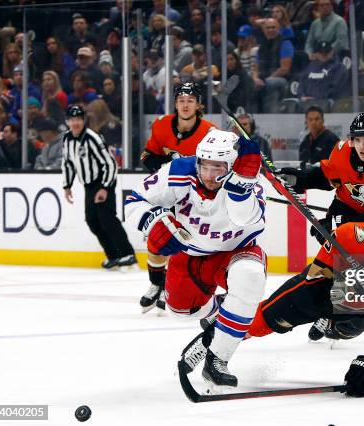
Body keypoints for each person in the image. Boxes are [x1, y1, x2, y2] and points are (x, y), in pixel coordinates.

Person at [181, 207, 364, 398]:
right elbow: (315, 277)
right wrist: (349, 282)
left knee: (345, 332)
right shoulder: (351, 236)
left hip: (360, 312)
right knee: (263, 321)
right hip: (321, 291)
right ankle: (211, 340)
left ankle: (329, 323)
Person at [126, 129, 267, 389]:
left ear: (233, 165)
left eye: (218, 167)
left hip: (235, 252)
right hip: (190, 253)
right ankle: (221, 314)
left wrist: (241, 185)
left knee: (250, 277)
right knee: (180, 312)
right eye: (205, 165)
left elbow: (242, 217)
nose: (210, 175)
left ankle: (217, 360)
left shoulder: (250, 181)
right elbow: (134, 200)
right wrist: (153, 222)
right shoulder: (179, 171)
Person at [139, 82, 216, 314]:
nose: (185, 105)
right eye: (181, 100)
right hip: (167, 191)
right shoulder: (162, 126)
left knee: (183, 243)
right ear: (175, 103)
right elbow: (147, 156)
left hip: (194, 197)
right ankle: (156, 284)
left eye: (190, 100)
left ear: (198, 104)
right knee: (156, 237)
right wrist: (168, 170)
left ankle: (170, 289)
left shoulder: (209, 132)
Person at [281, 112, 364, 246]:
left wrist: (342, 223)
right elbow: (328, 178)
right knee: (328, 237)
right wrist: (301, 180)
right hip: (348, 205)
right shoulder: (342, 151)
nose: (361, 146)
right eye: (357, 139)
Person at [61, 105, 136, 270]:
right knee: (92, 221)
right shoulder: (67, 139)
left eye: (78, 119)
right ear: (67, 122)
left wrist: (104, 188)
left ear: (83, 120)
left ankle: (128, 254)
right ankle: (114, 256)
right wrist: (67, 186)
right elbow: (67, 163)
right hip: (89, 184)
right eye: (72, 120)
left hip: (104, 181)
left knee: (107, 218)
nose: (75, 123)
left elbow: (110, 163)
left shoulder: (92, 138)